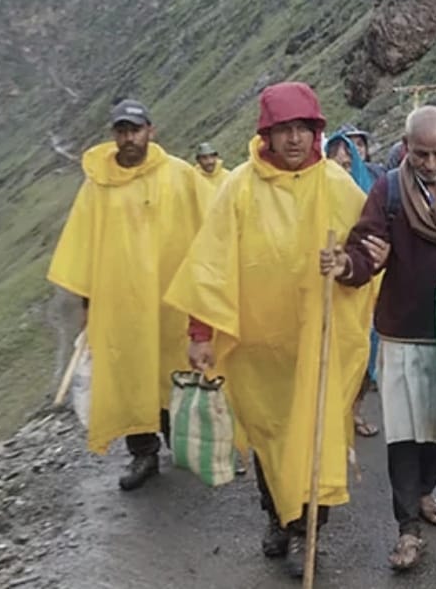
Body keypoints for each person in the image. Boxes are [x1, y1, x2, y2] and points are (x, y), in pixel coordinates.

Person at [163, 82, 376, 578]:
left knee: (315, 435)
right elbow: (210, 266)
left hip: (317, 342)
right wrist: (200, 335)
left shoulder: (336, 185)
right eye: (285, 130)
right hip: (258, 346)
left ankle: (308, 532)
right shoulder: (240, 186)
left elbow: (370, 248)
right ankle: (277, 518)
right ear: (267, 134)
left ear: (317, 132)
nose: (296, 140)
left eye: (304, 129)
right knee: (269, 437)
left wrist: (346, 262)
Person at [321, 106, 436, 571]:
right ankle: (407, 528)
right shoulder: (389, 189)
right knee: (403, 431)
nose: (430, 162)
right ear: (405, 147)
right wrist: (350, 265)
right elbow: (366, 249)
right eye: (420, 153)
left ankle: (424, 493)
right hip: (401, 330)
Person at [47, 99, 215, 491]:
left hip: (171, 300)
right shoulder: (97, 185)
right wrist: (88, 305)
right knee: (128, 376)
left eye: (135, 130)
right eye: (122, 131)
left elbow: (210, 227)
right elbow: (84, 246)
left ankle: (185, 444)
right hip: (119, 303)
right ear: (114, 135)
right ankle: (144, 454)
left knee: (172, 370)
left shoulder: (178, 175)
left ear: (150, 131)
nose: (129, 138)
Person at [324, 131, 389, 438]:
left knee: (364, 354)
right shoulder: (320, 194)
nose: (343, 170)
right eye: (336, 164)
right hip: (332, 295)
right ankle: (332, 414)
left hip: (369, 290)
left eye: (348, 164)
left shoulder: (375, 193)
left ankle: (355, 410)